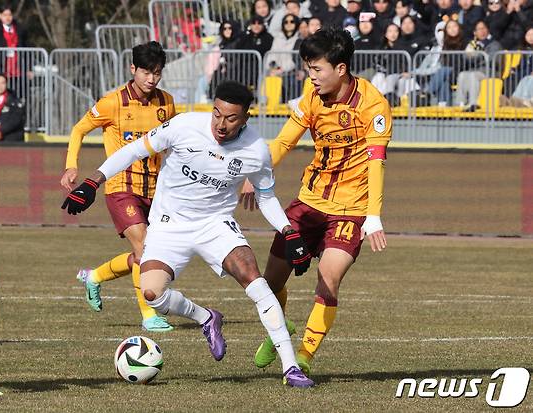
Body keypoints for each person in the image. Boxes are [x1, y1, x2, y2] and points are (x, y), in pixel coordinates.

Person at [62, 81, 315, 388]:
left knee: (254, 279)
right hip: (169, 224)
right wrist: (93, 181)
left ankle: (291, 367)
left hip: (216, 224)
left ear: (245, 119)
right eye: (217, 114)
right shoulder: (184, 125)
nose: (221, 125)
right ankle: (206, 318)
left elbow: (266, 196)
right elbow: (133, 150)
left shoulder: (256, 151)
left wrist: (288, 231)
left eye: (231, 118)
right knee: (152, 294)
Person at [240, 27, 392, 376]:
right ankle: (281, 330)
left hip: (352, 210)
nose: (312, 77)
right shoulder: (311, 96)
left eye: (317, 69)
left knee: (329, 276)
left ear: (340, 69)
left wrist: (373, 216)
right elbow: (283, 142)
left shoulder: (373, 104)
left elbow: (375, 161)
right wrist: (255, 172)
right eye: (309, 69)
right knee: (270, 282)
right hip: (309, 203)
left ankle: (304, 355)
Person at [61, 41, 176, 333]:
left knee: (145, 254)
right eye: (146, 72)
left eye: (157, 73)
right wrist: (71, 165)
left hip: (156, 190)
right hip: (120, 187)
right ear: (132, 69)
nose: (151, 79)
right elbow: (78, 129)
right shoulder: (112, 102)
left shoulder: (167, 103)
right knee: (146, 247)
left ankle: (94, 277)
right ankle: (149, 314)